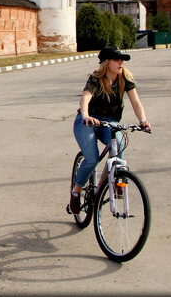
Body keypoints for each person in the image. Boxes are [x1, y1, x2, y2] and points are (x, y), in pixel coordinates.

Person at [69, 46, 151, 215]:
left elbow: (136, 102)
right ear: (107, 63)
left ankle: (107, 184)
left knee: (118, 148)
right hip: (88, 121)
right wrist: (85, 115)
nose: (121, 62)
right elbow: (86, 97)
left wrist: (143, 120)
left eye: (122, 60)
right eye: (117, 59)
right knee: (92, 158)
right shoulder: (96, 79)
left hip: (110, 122)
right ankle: (76, 191)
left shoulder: (125, 78)